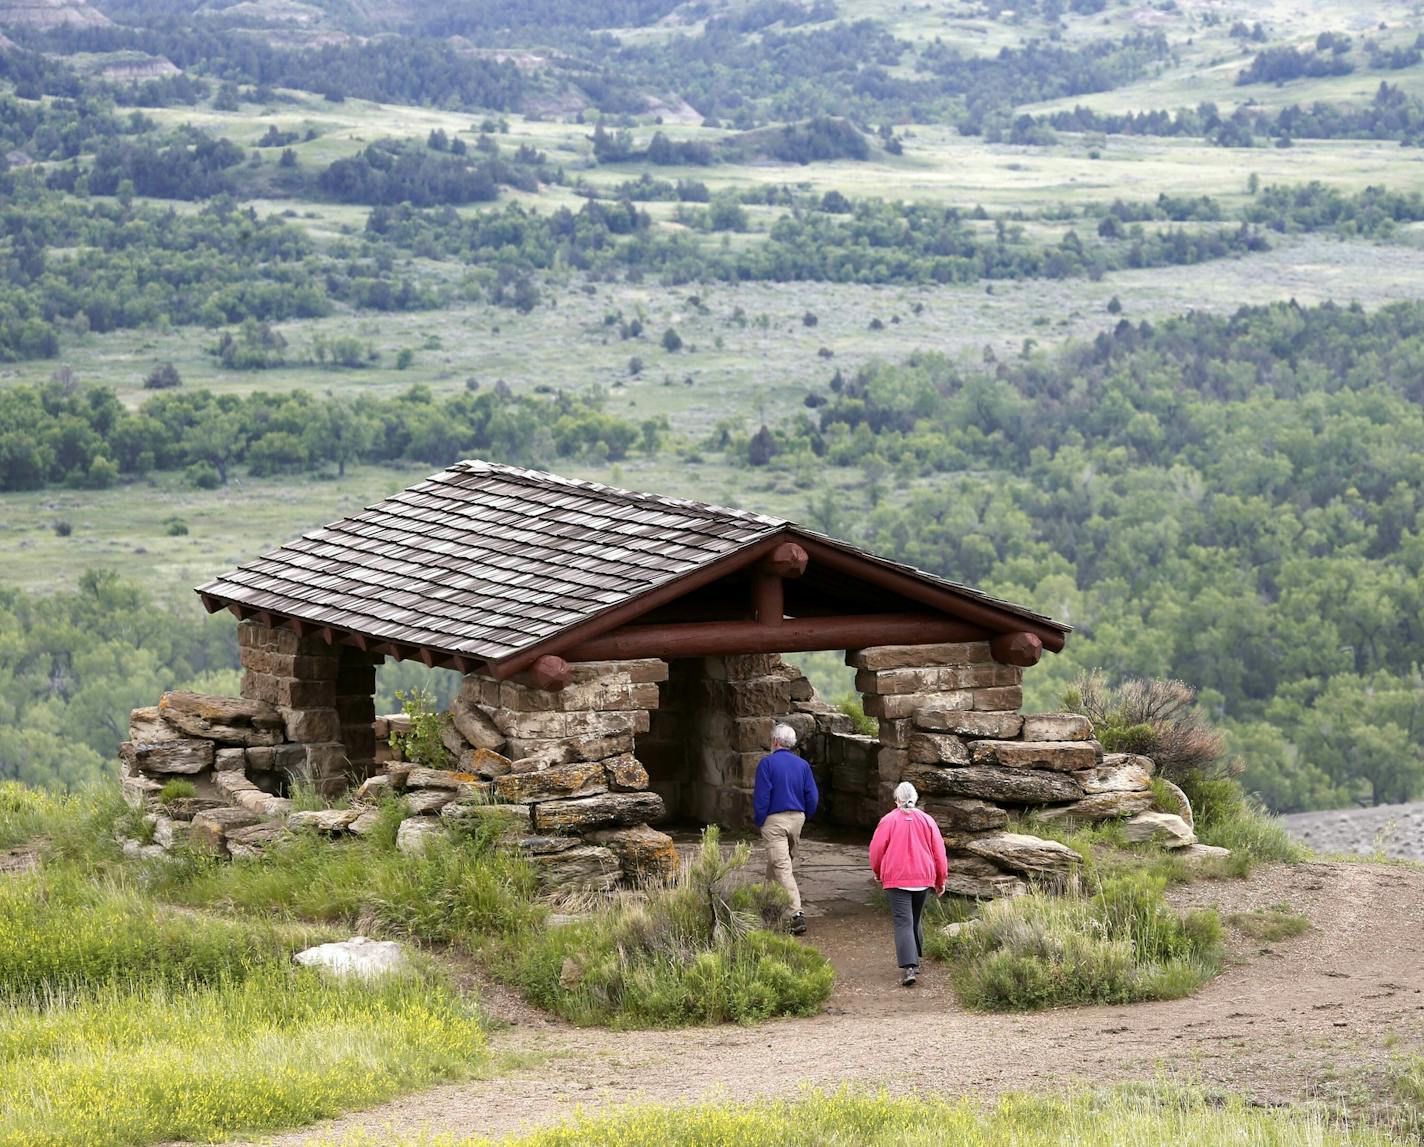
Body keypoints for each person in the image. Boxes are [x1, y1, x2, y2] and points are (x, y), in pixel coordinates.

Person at [868, 781, 948, 986]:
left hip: (896, 879)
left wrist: (877, 872)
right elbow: (939, 852)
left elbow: (876, 849)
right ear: (916, 799)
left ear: (897, 800)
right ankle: (916, 959)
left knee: (903, 921)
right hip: (923, 877)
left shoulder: (888, 821)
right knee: (915, 918)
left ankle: (909, 967)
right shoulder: (927, 820)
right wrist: (941, 879)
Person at [753, 722, 819, 936]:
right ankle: (767, 905)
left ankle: (795, 914)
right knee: (779, 862)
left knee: (782, 866)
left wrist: (760, 819)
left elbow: (762, 796)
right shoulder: (802, 765)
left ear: (774, 741)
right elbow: (813, 796)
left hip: (774, 819)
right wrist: (806, 815)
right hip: (797, 819)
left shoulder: (767, 764)